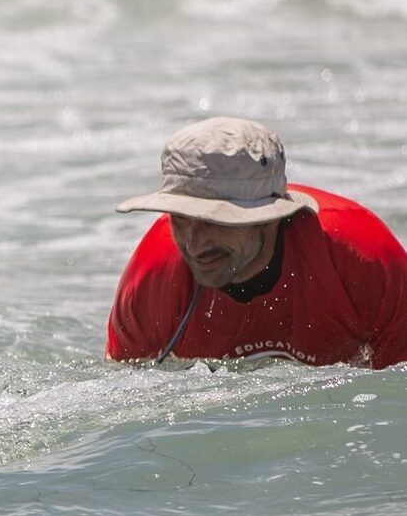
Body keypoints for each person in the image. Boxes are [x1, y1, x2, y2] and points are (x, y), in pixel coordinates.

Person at [107, 116, 407, 369]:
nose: (195, 245)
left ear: (271, 216)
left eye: (216, 220)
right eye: (181, 217)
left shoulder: (363, 259)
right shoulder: (153, 277)